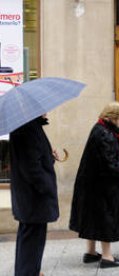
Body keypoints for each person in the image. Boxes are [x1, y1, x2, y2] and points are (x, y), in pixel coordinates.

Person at [69, 102, 119, 268]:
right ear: (110, 118)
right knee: (105, 219)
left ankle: (91, 252)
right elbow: (110, 164)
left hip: (92, 185)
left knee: (93, 219)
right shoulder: (105, 134)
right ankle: (107, 257)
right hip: (102, 187)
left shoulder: (99, 129)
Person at [9, 114, 59, 276]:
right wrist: (47, 187)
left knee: (31, 239)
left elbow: (35, 159)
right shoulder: (27, 129)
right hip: (34, 198)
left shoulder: (29, 126)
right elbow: (31, 168)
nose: (46, 111)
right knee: (31, 241)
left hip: (31, 198)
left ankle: (30, 271)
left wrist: (49, 157)